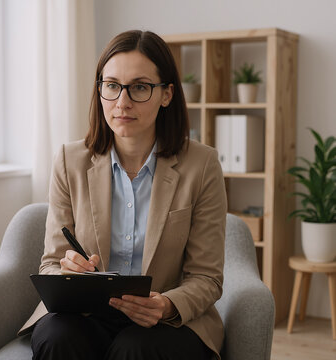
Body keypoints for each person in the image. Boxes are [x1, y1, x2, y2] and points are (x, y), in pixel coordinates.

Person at [20, 30, 227, 359]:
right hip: (86, 316)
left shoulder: (202, 165)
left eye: (140, 87)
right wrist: (68, 271)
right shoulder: (69, 160)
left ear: (167, 94)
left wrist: (167, 305)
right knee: (55, 338)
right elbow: (50, 265)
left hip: (163, 322)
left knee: (135, 348)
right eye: (112, 85)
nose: (122, 102)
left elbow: (206, 277)